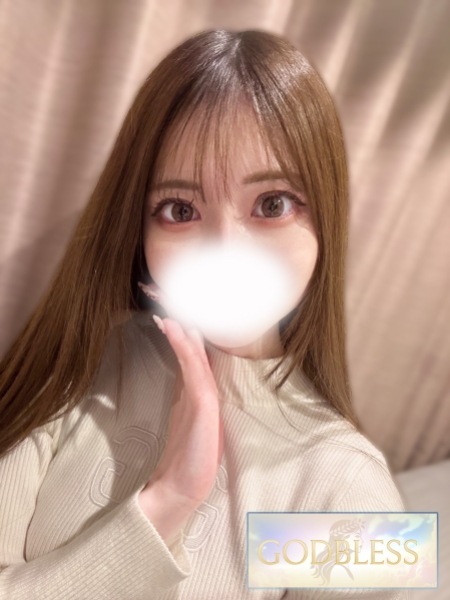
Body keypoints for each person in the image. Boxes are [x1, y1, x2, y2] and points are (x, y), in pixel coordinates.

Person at [0, 29, 410, 599]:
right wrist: (168, 502)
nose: (225, 251)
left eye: (271, 204)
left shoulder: (351, 489)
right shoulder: (82, 357)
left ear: (324, 217)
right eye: (179, 209)